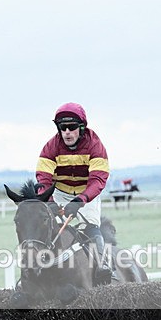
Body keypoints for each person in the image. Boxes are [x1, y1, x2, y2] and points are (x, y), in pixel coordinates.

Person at [35, 102, 114, 284]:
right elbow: (43, 180)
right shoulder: (50, 147)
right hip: (60, 192)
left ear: (81, 128)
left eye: (72, 127)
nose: (67, 132)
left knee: (91, 226)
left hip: (87, 193)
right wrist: (50, 202)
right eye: (63, 128)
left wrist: (81, 200)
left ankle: (102, 265)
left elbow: (98, 180)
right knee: (49, 228)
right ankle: (35, 270)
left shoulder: (95, 145)